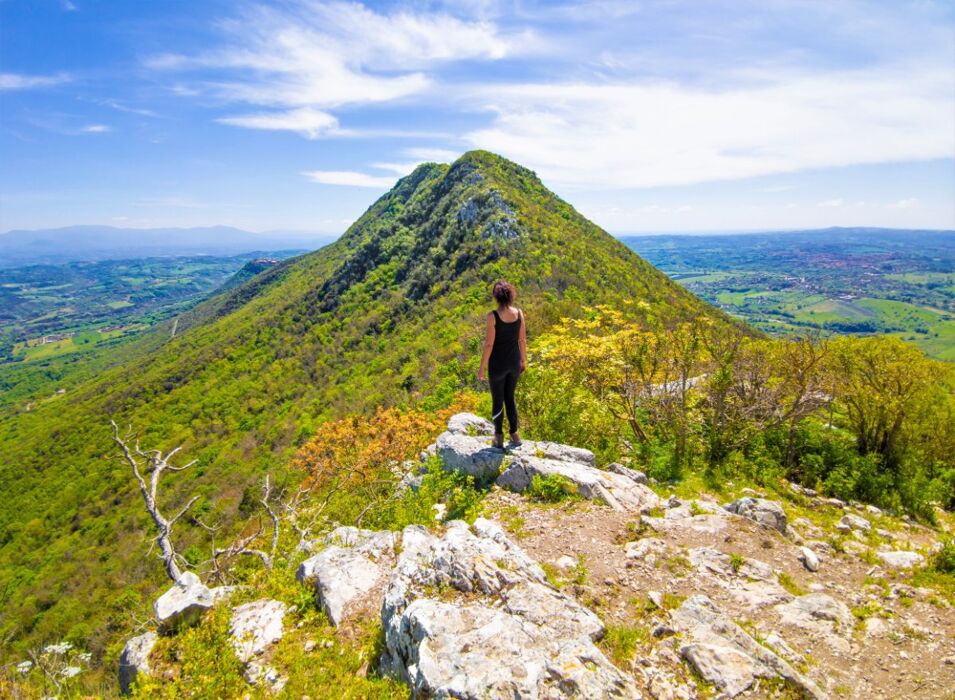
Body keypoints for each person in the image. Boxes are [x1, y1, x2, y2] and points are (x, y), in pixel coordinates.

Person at [477, 280, 527, 448]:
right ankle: (515, 434)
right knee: (510, 398)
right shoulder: (519, 313)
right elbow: (522, 339)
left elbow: (489, 344)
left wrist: (482, 367)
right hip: (514, 363)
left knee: (497, 399)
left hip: (497, 365)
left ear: (496, 297)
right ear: (511, 295)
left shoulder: (492, 317)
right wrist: (523, 360)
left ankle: (498, 437)